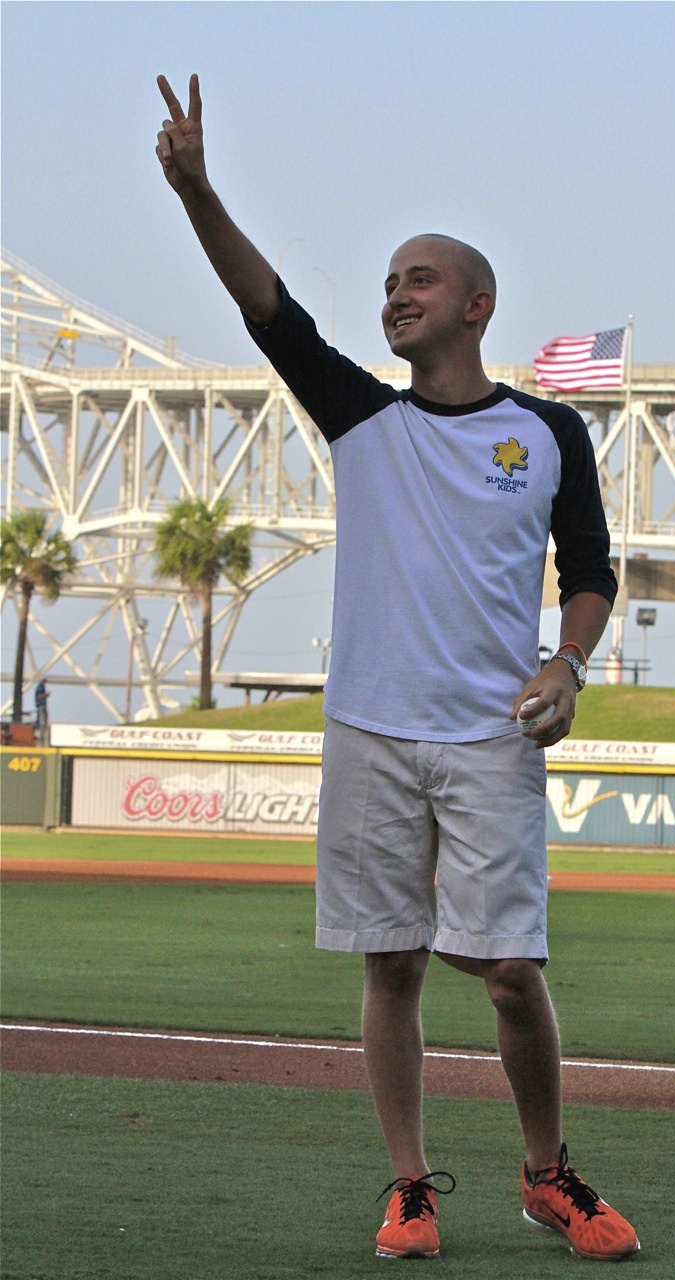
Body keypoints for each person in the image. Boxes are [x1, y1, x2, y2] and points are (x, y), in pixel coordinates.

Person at [155, 74, 640, 1264]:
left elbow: (591, 570)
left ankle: (546, 1175)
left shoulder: (548, 431)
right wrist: (197, 191)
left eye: (418, 279)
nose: (394, 295)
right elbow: (270, 311)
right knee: (392, 962)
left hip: (491, 735)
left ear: (476, 304)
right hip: (371, 728)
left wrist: (567, 665)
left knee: (511, 970)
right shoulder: (361, 418)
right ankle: (411, 1186)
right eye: (386, 283)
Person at [34, 679, 50, 745]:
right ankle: (41, 734)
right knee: (41, 719)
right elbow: (39, 696)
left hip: (42, 705)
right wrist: (46, 695)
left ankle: (43, 731)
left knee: (44, 718)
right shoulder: (40, 687)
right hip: (41, 705)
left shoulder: (41, 687)